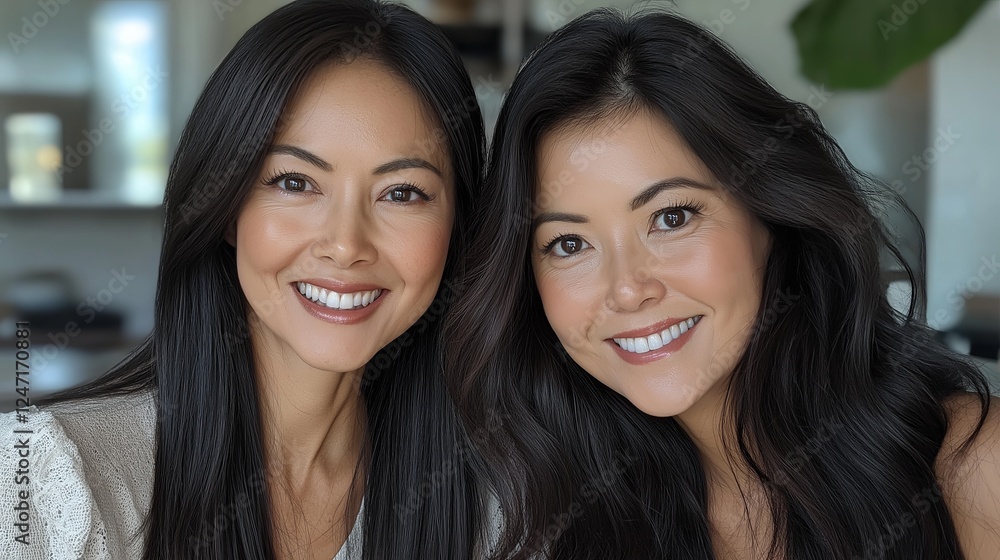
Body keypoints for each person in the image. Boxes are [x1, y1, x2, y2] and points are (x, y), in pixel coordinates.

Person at [444, 8, 999, 560]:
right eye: (569, 244)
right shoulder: (567, 517)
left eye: (672, 217)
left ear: (771, 215)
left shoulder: (971, 466)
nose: (628, 288)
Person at [0, 0, 490, 558]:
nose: (346, 245)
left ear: (457, 225)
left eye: (402, 193)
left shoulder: (491, 510)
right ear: (227, 207)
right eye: (295, 182)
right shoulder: (48, 486)